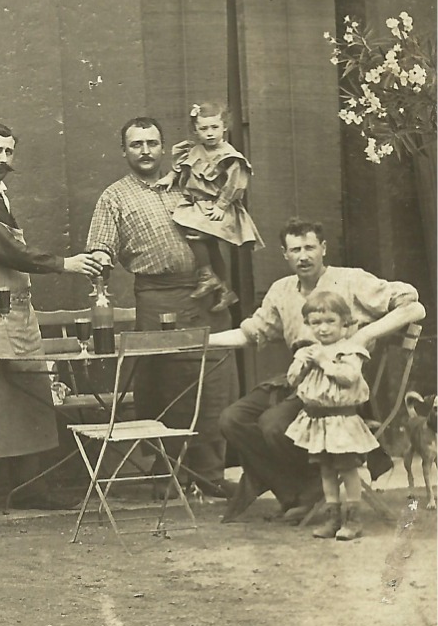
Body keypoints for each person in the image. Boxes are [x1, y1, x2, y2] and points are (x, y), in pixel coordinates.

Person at [212, 219, 425, 523]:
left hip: (340, 389)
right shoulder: (281, 291)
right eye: (295, 249)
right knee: (232, 419)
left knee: (273, 424)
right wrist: (204, 341)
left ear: (323, 249)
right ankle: (301, 489)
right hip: (300, 382)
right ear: (284, 254)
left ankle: (306, 491)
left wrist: (362, 336)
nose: (304, 256)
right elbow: (252, 333)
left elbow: (415, 308)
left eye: (310, 247)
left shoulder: (351, 280)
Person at [0, 122, 103, 510]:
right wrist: (65, 263)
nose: (3, 159)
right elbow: (4, 250)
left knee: (31, 396)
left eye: (9, 152)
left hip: (17, 313)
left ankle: (32, 487)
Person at [84, 117, 238, 499]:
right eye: (136, 144)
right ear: (124, 151)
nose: (145, 150)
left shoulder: (186, 184)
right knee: (164, 387)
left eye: (152, 142)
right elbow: (101, 244)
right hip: (157, 297)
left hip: (205, 294)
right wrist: (101, 258)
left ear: (163, 147)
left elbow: (221, 221)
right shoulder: (114, 196)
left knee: (213, 384)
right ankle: (166, 474)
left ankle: (210, 474)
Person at [281, 290, 382, 541]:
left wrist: (324, 362)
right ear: (308, 325)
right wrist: (301, 364)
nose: (323, 329)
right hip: (318, 420)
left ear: (345, 323)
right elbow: (292, 381)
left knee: (347, 469)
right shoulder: (310, 351)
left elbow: (349, 378)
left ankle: (353, 518)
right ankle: (333, 517)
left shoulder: (350, 351)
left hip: (342, 420)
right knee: (326, 470)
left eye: (330, 322)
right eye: (316, 323)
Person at [169, 101, 263, 312]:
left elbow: (236, 183)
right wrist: (170, 177)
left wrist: (221, 205)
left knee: (194, 232)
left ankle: (207, 275)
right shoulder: (195, 150)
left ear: (224, 128)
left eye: (214, 128)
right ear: (195, 130)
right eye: (203, 129)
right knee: (210, 247)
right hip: (198, 204)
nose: (210, 133)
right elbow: (182, 168)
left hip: (216, 206)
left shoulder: (228, 155)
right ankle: (224, 290)